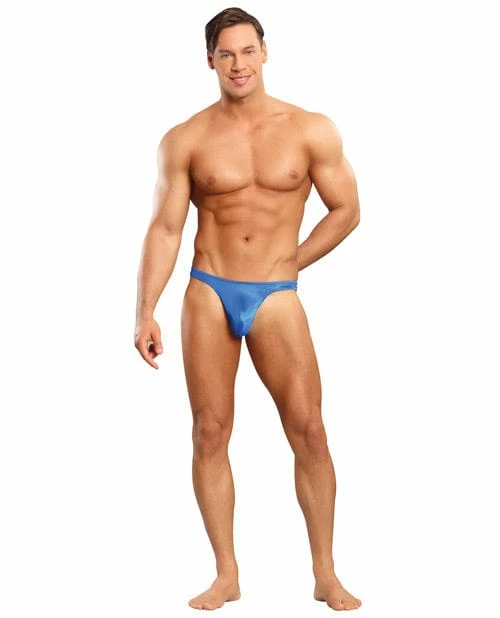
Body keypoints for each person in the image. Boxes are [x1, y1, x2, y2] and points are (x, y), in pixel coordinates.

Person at [134, 6, 361, 612]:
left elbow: (347, 209)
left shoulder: (311, 129)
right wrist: (145, 309)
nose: (239, 64)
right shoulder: (186, 138)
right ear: (210, 60)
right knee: (210, 432)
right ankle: (226, 574)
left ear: (265, 52)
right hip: (208, 289)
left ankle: (325, 574)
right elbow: (165, 228)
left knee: (310, 430)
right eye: (226, 54)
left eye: (248, 51)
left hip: (275, 295)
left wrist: (292, 261)